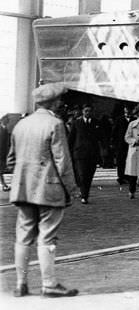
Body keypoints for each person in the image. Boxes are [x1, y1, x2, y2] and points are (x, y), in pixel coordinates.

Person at [6, 82, 80, 298]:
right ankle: (49, 284)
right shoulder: (55, 124)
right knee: (47, 236)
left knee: (23, 235)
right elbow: (62, 162)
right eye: (59, 101)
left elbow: (11, 161)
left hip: (23, 189)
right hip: (49, 189)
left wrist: (25, 175)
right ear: (55, 103)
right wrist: (73, 189)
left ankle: (20, 284)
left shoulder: (20, 124)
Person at [68, 104, 103, 204]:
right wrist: (69, 151)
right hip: (80, 153)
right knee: (82, 174)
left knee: (89, 175)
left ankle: (85, 194)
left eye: (89, 111)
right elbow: (71, 138)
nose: (87, 113)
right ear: (82, 111)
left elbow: (102, 137)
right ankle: (84, 195)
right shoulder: (76, 123)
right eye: (86, 111)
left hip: (93, 153)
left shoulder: (97, 123)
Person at [110, 105, 131, 187]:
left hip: (130, 144)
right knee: (120, 161)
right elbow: (114, 131)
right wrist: (113, 142)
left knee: (129, 160)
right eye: (126, 110)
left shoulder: (133, 120)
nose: (128, 111)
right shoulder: (119, 119)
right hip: (120, 144)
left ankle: (128, 176)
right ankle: (121, 177)